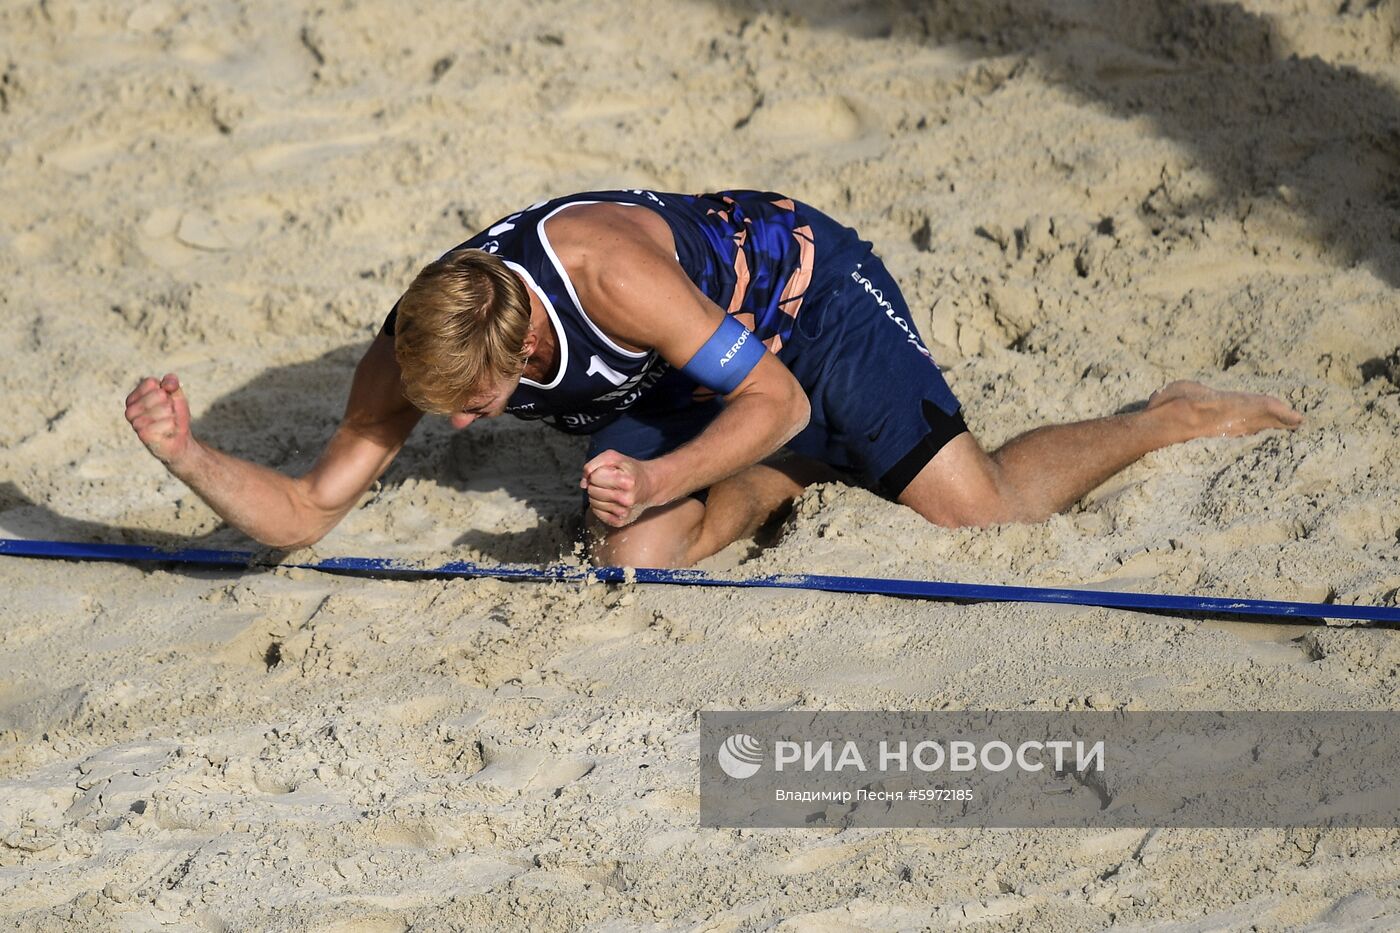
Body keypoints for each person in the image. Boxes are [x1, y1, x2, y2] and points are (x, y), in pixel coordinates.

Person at [124, 189, 1303, 568]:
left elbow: (776, 391)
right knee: (637, 556)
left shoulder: (604, 276)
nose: (463, 425)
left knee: (975, 508)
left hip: (807, 308)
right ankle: (780, 483)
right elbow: (304, 516)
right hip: (699, 378)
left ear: (524, 345)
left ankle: (1159, 418)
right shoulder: (410, 355)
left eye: (476, 406)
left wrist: (671, 467)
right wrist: (186, 455)